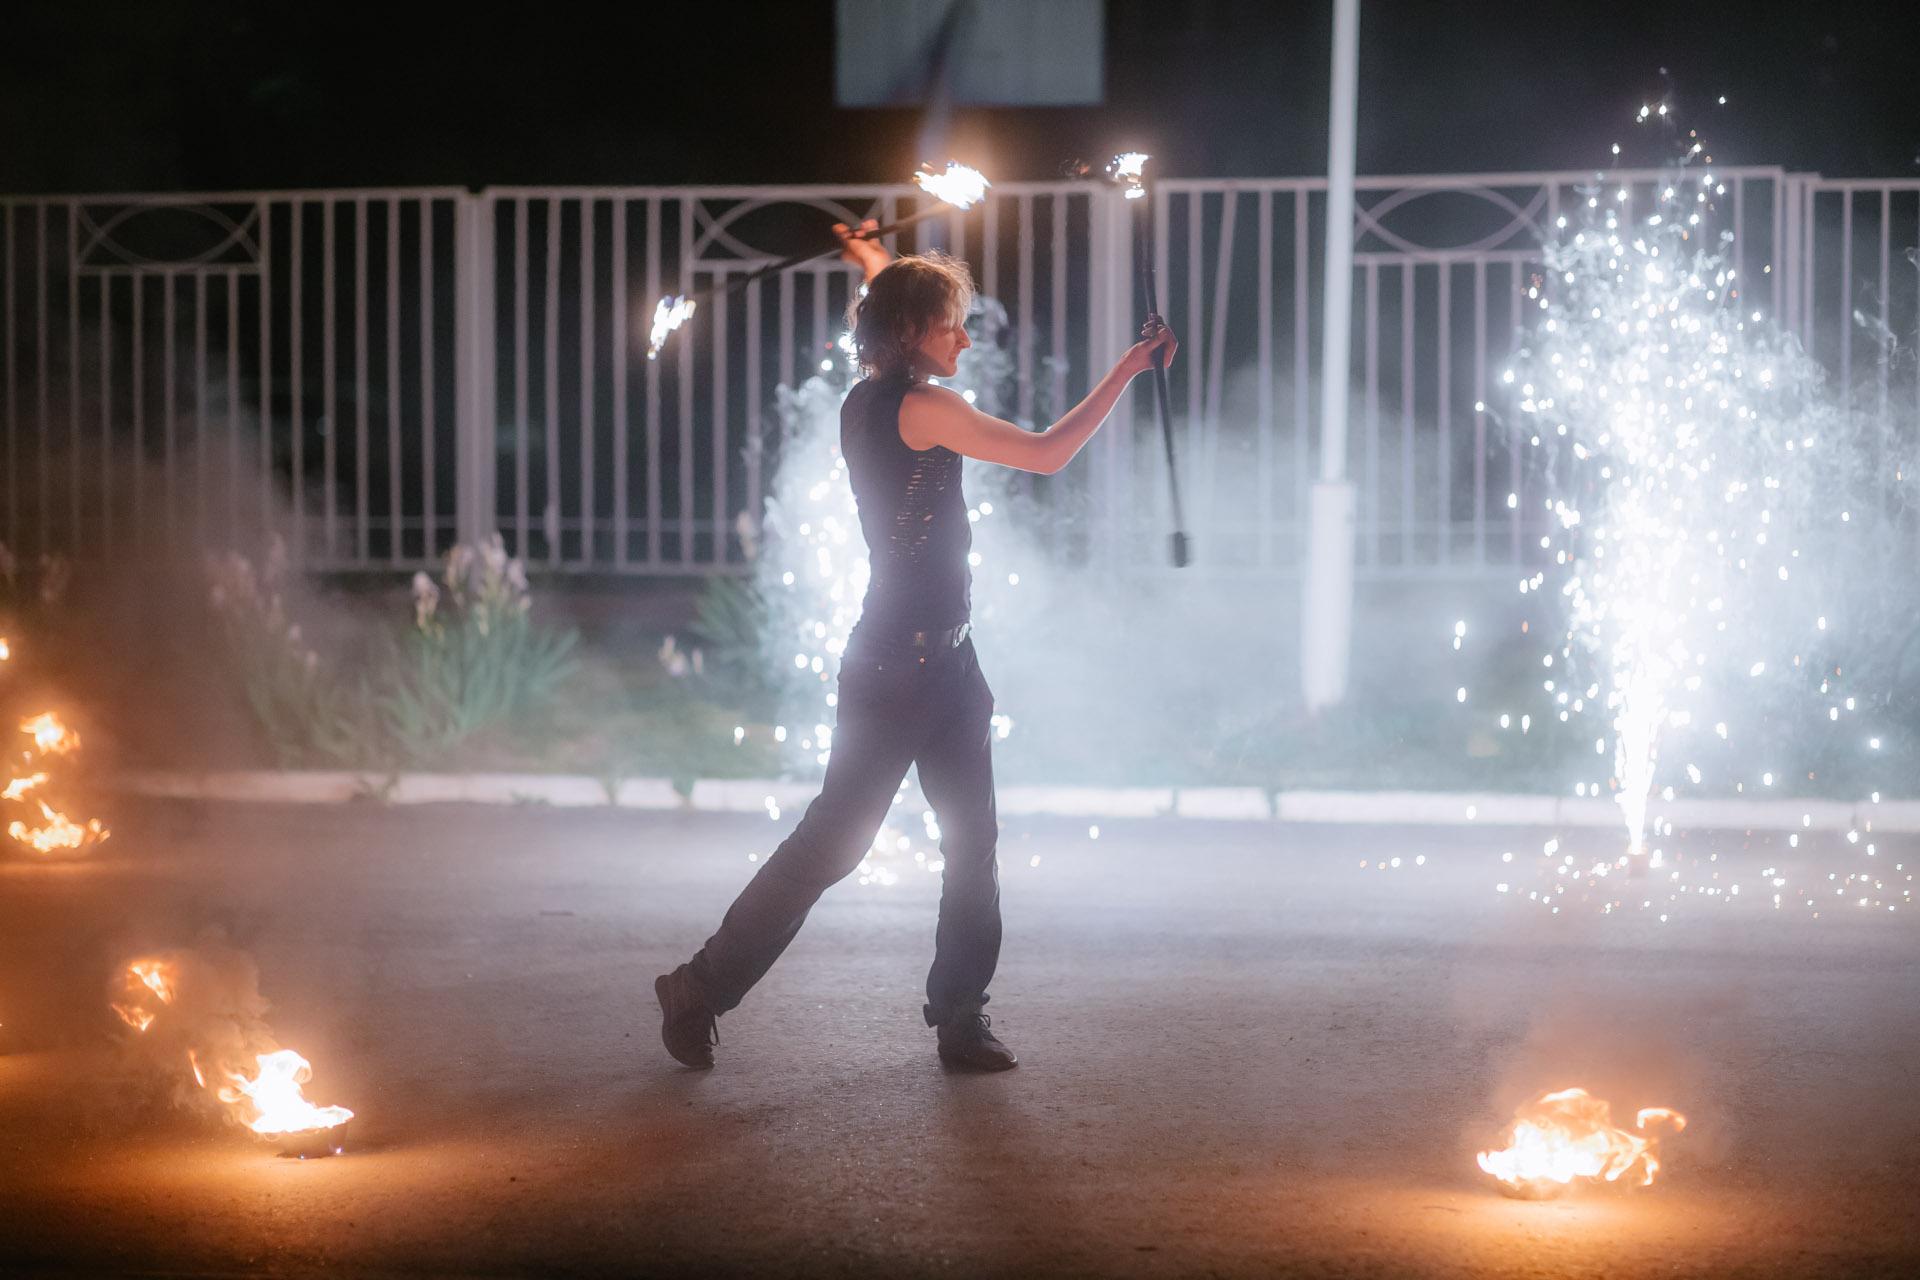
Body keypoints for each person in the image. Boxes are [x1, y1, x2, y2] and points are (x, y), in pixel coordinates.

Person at [656, 217, 1177, 1071]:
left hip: (950, 667)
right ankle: (698, 986)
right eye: (950, 325)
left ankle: (961, 1017)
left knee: (972, 844)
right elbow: (1049, 454)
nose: (965, 338)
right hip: (896, 670)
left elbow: (893, 318)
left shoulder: (867, 400)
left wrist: (876, 261)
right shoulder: (925, 410)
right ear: (906, 333)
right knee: (832, 847)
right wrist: (1128, 368)